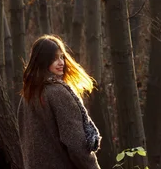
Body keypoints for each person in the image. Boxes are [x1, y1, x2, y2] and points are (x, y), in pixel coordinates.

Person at [18, 35, 101, 169]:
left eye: (62, 57)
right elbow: (77, 145)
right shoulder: (58, 92)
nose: (61, 62)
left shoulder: (27, 95)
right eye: (54, 59)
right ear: (42, 61)